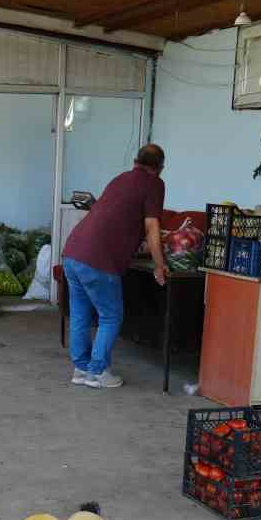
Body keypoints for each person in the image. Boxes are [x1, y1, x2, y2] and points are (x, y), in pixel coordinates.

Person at [60, 143, 168, 390]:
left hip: (72, 252)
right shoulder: (155, 184)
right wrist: (159, 266)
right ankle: (97, 372)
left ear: (135, 162)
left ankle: (81, 369)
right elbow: (152, 226)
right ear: (160, 168)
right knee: (110, 316)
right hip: (99, 260)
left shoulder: (120, 178)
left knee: (80, 314)